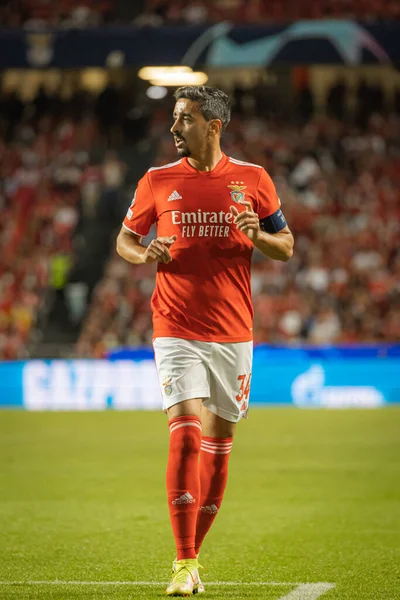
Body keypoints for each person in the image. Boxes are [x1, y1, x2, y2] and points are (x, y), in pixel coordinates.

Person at [116, 86, 294, 596]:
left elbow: (285, 244)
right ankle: (183, 559)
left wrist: (257, 237)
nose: (174, 128)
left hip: (233, 333)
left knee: (218, 450)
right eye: (174, 118)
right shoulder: (156, 181)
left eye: (185, 119)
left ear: (214, 126)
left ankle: (193, 558)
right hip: (174, 328)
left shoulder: (253, 180)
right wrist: (144, 253)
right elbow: (125, 238)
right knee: (186, 433)